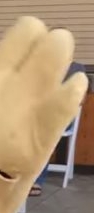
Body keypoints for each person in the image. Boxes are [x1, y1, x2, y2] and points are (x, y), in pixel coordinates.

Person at [30, 60, 89, 196]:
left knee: (42, 136)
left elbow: (81, 98)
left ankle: (35, 179)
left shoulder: (75, 68)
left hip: (61, 115)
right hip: (38, 115)